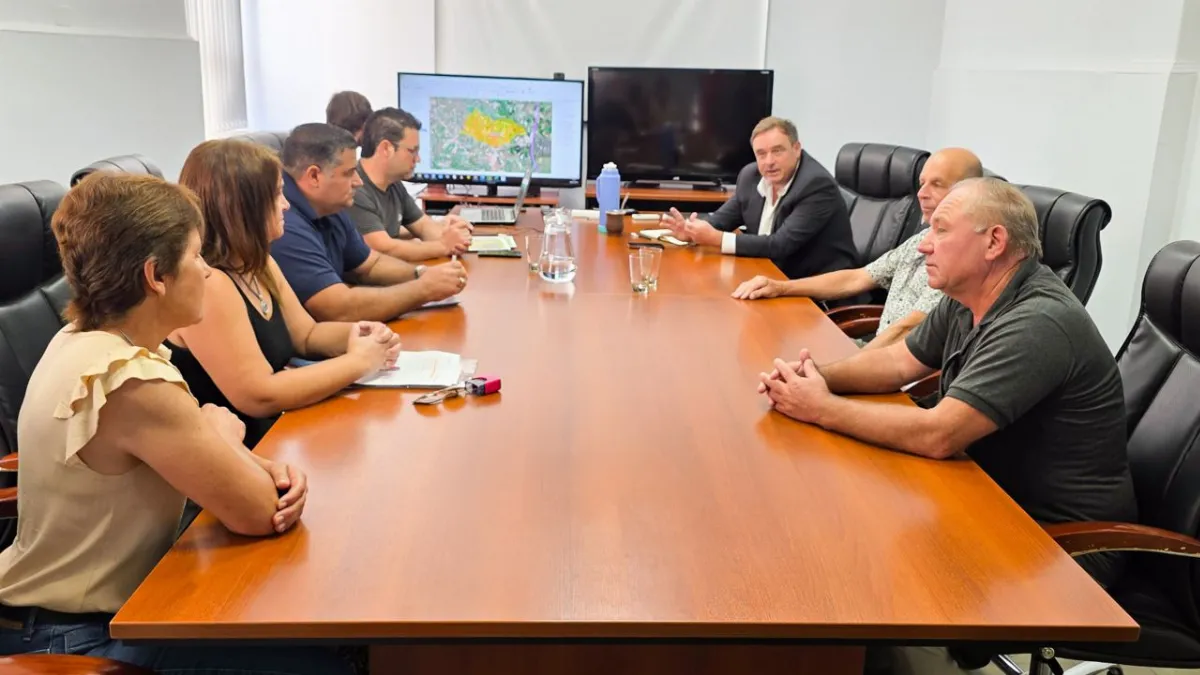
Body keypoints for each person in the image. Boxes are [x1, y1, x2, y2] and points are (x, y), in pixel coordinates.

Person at [757, 178, 1136, 674]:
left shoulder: (1039, 322)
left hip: (1059, 542)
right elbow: (897, 365)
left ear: (994, 243)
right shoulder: (968, 297)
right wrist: (811, 379)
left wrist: (820, 408)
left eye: (939, 229)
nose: (924, 243)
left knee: (858, 565)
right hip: (985, 496)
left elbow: (940, 434)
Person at [0, 173, 350, 673]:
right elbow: (260, 514)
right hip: (83, 636)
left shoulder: (84, 340)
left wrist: (231, 446)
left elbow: (211, 464)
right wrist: (226, 435)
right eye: (195, 257)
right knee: (335, 661)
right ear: (156, 277)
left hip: (85, 610)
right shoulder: (130, 381)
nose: (208, 272)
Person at [170, 139, 401, 448]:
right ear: (243, 208)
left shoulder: (259, 261)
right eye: (277, 194)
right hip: (240, 451)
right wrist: (359, 362)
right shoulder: (209, 282)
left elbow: (306, 334)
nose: (287, 205)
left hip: (277, 436)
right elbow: (259, 394)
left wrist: (360, 335)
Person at [732, 148, 984, 349]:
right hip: (875, 349)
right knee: (770, 344)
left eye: (937, 184)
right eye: (921, 183)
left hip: (900, 372)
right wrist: (781, 287)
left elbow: (908, 330)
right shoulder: (920, 240)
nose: (921, 194)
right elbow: (858, 277)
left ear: (968, 191)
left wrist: (846, 369)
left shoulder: (962, 258)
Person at [271, 123, 467, 322]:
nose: (358, 181)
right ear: (314, 176)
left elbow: (369, 265)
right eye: (348, 173)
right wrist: (424, 289)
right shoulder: (283, 222)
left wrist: (421, 273)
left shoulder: (328, 205)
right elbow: (337, 308)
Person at [660, 116, 856, 279]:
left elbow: (780, 245)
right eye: (761, 154)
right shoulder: (750, 176)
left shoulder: (816, 185)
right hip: (768, 277)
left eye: (777, 151)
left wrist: (716, 239)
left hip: (815, 292)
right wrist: (691, 232)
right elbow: (720, 221)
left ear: (796, 149)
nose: (769, 162)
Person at [349, 107, 473, 262]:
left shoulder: (393, 184)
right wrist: (444, 245)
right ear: (386, 148)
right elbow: (384, 248)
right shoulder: (354, 188)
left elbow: (422, 227)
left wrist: (453, 236)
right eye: (412, 151)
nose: (418, 159)